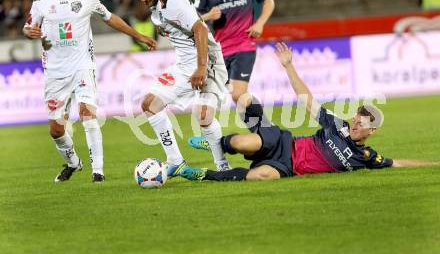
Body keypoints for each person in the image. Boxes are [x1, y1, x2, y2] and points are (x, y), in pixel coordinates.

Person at [181, 42, 426, 182]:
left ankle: (204, 174)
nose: (354, 123)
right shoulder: (337, 125)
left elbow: (399, 163)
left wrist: (433, 164)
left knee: (262, 176)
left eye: (360, 123)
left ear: (372, 130)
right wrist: (289, 66)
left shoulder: (367, 157)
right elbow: (307, 100)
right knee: (246, 126)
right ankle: (217, 144)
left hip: (287, 168)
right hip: (283, 144)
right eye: (355, 118)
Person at [23, 0, 156, 183]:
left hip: (83, 66)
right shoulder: (41, 2)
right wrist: (30, 33)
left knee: (88, 115)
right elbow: (28, 28)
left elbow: (110, 18)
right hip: (55, 73)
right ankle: (74, 162)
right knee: (56, 130)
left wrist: (139, 36)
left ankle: (98, 173)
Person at [127, 0, 231, 174]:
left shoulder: (171, 1)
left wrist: (201, 68)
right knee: (149, 104)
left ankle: (223, 166)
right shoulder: (157, 2)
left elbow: (200, 30)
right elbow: (192, 20)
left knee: (203, 116)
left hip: (207, 60)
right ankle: (175, 161)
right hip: (185, 64)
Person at [194, 0, 275, 104]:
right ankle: (260, 125)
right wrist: (209, 16)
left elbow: (269, 1)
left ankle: (263, 127)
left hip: (244, 45)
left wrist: (260, 23)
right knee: (208, 99)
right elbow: (193, 19)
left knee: (238, 94)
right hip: (219, 50)